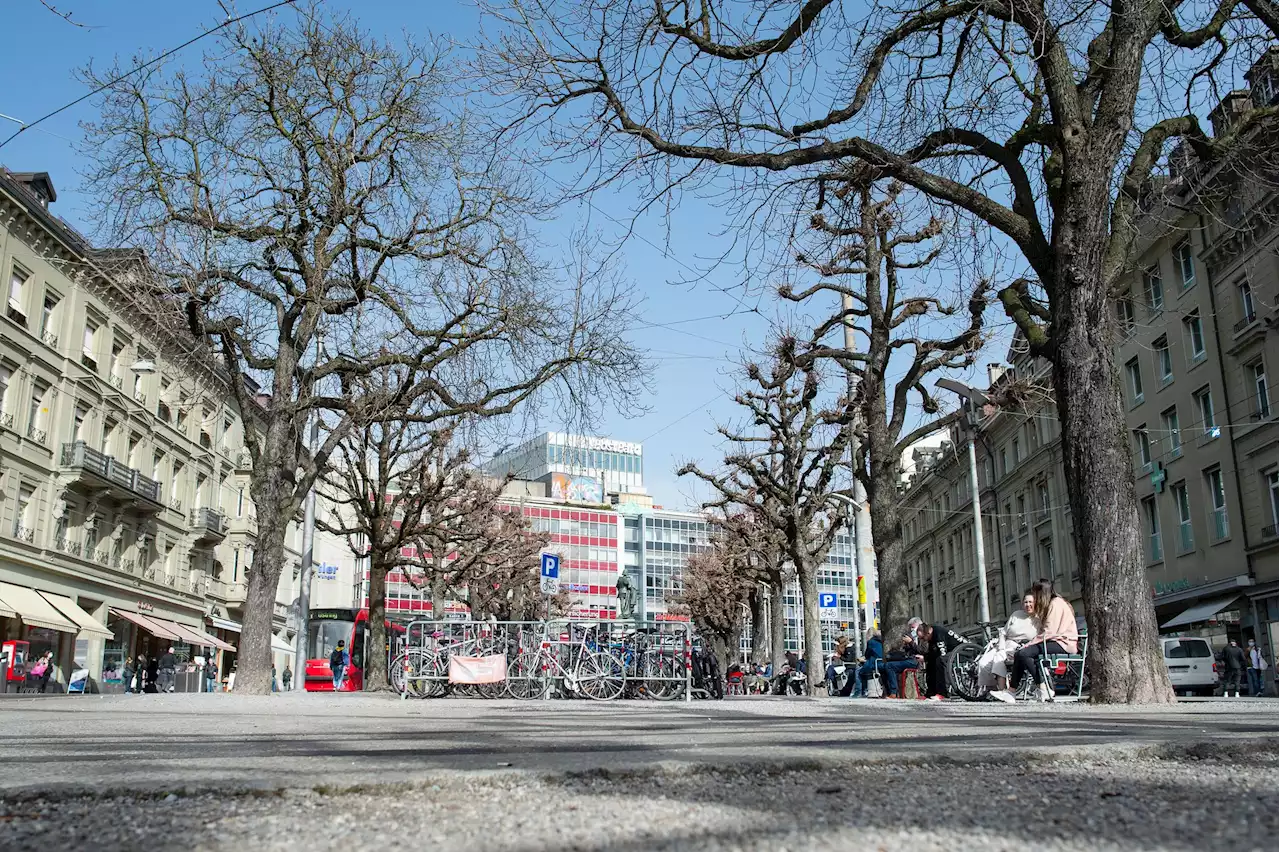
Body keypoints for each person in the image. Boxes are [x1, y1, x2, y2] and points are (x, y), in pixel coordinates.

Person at [996, 579, 1078, 703]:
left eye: (1035, 594)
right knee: (1023, 654)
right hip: (1057, 641)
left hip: (1063, 643)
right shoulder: (1056, 602)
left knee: (1022, 653)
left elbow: (1049, 632)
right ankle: (1040, 688)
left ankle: (1015, 691)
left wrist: (1030, 643)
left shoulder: (1055, 604)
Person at [980, 591, 1040, 701]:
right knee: (983, 663)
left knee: (998, 658)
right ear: (1022, 604)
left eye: (1030, 602)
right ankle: (991, 688)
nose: (1028, 604)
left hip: (1020, 647)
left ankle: (1003, 691)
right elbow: (1003, 632)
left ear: (1036, 603)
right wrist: (1001, 647)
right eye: (1025, 602)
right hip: (1005, 644)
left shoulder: (1038, 619)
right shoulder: (1016, 615)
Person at [916, 621, 971, 700]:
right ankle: (931, 692)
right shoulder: (931, 636)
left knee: (941, 661)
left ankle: (942, 693)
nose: (923, 640)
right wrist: (925, 658)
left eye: (922, 637)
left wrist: (927, 657)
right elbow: (932, 653)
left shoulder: (938, 634)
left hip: (963, 650)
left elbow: (942, 653)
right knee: (931, 662)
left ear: (928, 633)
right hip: (952, 652)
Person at [881, 618, 923, 698]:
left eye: (913, 627)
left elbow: (921, 650)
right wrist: (906, 644)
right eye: (911, 627)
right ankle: (890, 691)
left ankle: (894, 692)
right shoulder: (911, 635)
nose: (912, 630)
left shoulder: (922, 636)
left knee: (889, 666)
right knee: (885, 666)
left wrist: (911, 642)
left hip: (915, 661)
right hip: (909, 658)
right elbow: (908, 650)